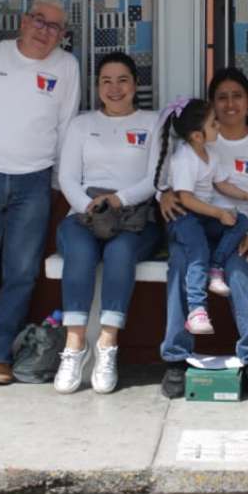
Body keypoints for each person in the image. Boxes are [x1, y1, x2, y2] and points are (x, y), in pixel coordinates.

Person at [0, 0, 80, 386]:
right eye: (39, 21)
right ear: (24, 21)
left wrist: (60, 182)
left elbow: (67, 126)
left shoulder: (66, 66)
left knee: (22, 272)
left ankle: (1, 355)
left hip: (35, 180)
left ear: (63, 35)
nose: (45, 31)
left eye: (55, 27)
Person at [158, 67, 248, 404]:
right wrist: (164, 195)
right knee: (181, 266)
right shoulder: (193, 139)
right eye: (222, 97)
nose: (229, 104)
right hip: (196, 223)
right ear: (212, 105)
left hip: (236, 232)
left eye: (237, 96)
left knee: (240, 272)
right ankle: (175, 358)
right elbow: (167, 182)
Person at [51, 51, 161, 394]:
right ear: (97, 87)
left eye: (123, 80)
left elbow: (156, 178)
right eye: (106, 81)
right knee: (80, 254)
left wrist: (117, 200)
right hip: (83, 214)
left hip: (134, 217)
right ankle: (74, 346)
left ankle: (107, 346)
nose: (115, 89)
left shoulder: (154, 122)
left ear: (136, 84)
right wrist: (90, 207)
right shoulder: (82, 124)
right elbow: (66, 177)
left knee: (120, 253)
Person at [153, 97, 248, 336]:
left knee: (241, 222)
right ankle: (197, 310)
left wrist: (246, 197)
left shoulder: (211, 155)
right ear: (196, 135)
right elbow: (185, 199)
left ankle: (216, 269)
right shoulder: (184, 158)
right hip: (183, 218)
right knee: (197, 251)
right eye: (214, 124)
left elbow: (222, 184)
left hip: (202, 216)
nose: (219, 126)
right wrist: (218, 212)